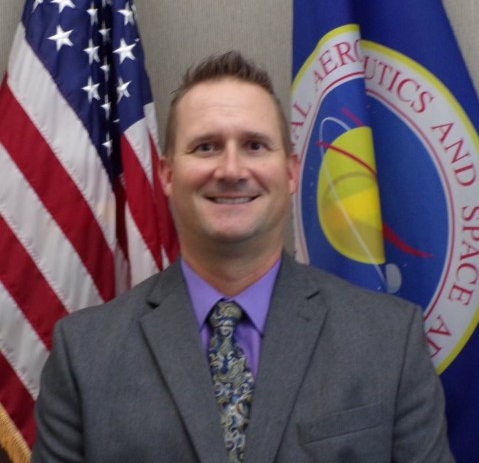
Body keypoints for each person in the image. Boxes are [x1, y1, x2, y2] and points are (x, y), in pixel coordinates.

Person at [32, 51, 455, 462]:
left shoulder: (389, 340)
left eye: (254, 145)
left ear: (290, 172)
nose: (232, 170)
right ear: (167, 174)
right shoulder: (83, 354)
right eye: (205, 147)